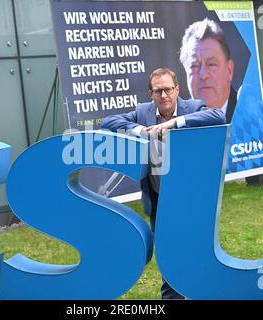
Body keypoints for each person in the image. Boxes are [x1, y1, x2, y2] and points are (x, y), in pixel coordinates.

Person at [101, 67, 225, 299]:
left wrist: (174, 123)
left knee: (196, 249)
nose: (164, 95)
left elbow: (218, 116)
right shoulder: (142, 112)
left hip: (191, 198)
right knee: (168, 252)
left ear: (177, 89)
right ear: (151, 94)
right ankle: (172, 297)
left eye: (168, 89)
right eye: (158, 91)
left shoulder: (194, 107)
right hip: (159, 200)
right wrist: (138, 130)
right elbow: (109, 121)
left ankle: (204, 289)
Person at [179, 18, 237, 122]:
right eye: (194, 65)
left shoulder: (250, 113)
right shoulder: (177, 121)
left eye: (211, 64)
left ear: (229, 70)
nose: (203, 75)